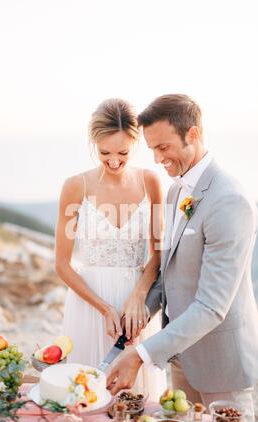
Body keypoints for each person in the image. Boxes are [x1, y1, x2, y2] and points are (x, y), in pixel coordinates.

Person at [107, 94, 258, 422]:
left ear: (192, 135)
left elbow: (212, 306)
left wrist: (142, 354)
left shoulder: (230, 200)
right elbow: (173, 272)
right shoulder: (176, 191)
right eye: (152, 149)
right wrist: (140, 314)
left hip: (223, 365)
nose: (157, 159)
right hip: (182, 357)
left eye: (164, 148)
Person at [55, 98, 167, 400]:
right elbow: (62, 265)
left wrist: (140, 296)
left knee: (137, 400)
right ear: (94, 143)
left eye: (123, 152)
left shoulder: (150, 181)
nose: (114, 160)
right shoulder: (75, 186)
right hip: (88, 303)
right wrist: (104, 308)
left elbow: (159, 251)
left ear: (135, 143)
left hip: (137, 305)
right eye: (105, 152)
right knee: (84, 398)